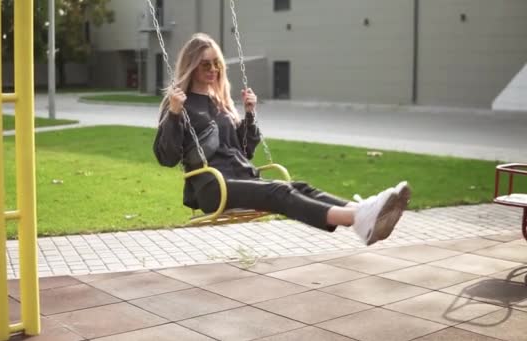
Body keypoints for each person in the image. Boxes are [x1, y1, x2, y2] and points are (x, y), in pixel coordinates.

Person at [153, 33, 411, 246]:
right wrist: (174, 113)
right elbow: (167, 157)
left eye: (217, 63)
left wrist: (249, 114)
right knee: (278, 190)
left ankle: (363, 212)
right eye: (205, 64)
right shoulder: (179, 103)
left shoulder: (221, 103)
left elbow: (245, 151)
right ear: (192, 66)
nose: (213, 69)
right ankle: (359, 217)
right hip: (212, 187)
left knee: (300, 187)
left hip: (239, 181)